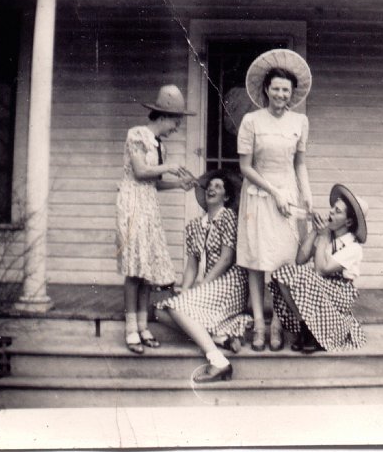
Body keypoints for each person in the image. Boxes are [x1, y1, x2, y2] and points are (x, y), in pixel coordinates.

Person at [237, 49, 313, 351]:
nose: (281, 94)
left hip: (289, 198)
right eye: (277, 88)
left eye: (286, 90)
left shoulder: (301, 121)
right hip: (259, 194)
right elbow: (245, 167)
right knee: (256, 261)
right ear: (266, 90)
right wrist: (274, 191)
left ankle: (278, 325)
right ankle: (258, 324)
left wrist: (307, 197)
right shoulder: (251, 121)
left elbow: (300, 164)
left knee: (284, 263)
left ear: (292, 94)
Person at [116, 84, 197, 355]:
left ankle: (143, 326)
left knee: (147, 269)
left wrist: (178, 184)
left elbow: (154, 183)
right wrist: (169, 167)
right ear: (162, 116)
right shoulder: (137, 135)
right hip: (132, 205)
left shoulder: (160, 146)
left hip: (148, 205)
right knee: (134, 268)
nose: (177, 127)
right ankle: (130, 329)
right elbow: (140, 172)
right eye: (176, 121)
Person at [154, 169, 252, 383]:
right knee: (161, 311)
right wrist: (186, 289)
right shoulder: (193, 226)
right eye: (210, 186)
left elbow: (226, 259)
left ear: (226, 196)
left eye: (218, 186)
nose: (211, 188)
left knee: (175, 308)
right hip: (208, 286)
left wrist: (201, 286)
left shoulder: (229, 217)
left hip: (230, 283)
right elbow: (191, 265)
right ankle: (221, 338)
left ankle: (217, 360)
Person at [268, 184, 368, 354]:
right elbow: (300, 260)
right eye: (332, 209)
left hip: (339, 292)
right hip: (320, 288)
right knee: (282, 273)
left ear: (348, 221)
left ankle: (311, 333)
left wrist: (322, 237)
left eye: (337, 211)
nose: (330, 213)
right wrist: (315, 231)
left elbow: (321, 270)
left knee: (305, 275)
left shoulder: (353, 247)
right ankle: (305, 326)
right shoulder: (327, 237)